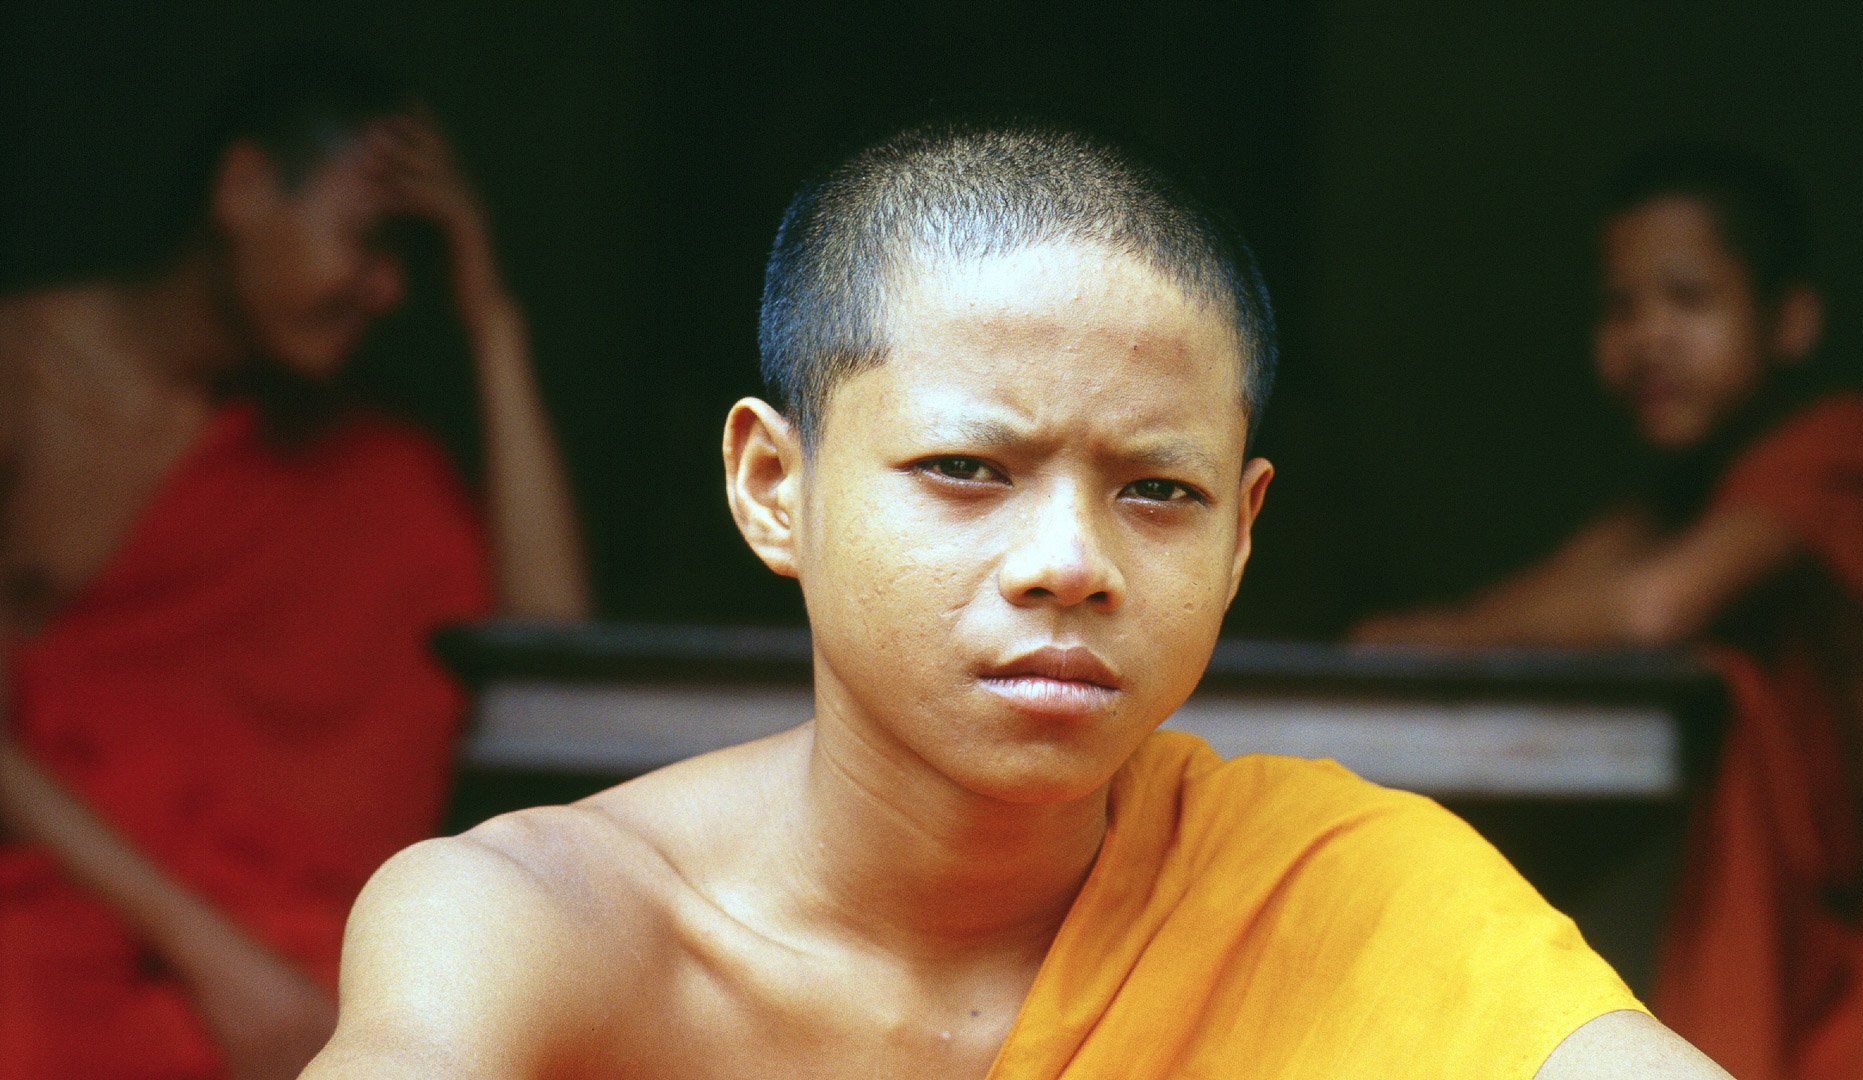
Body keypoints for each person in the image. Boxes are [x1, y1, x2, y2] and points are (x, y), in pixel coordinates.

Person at [305, 115, 1725, 1078]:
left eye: (1158, 491)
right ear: (770, 486)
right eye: (968, 467)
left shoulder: (1331, 894)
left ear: (1244, 533)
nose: (1072, 561)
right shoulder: (540, 925)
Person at [0, 47, 588, 1079]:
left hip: (297, 943)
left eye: (414, 259)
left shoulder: (365, 464)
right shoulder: (25, 379)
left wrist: (491, 315)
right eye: (368, 240)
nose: (389, 288)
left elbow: (556, 666)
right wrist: (211, 955)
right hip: (68, 917)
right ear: (242, 188)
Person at [1352, 144, 1863, 1079]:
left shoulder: (1841, 444)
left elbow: (1653, 606)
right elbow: (1582, 578)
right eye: (1620, 307)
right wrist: (1419, 638)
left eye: (1689, 299)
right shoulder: (1696, 492)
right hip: (1845, 911)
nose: (1649, 335)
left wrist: (1438, 641)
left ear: (1790, 320)